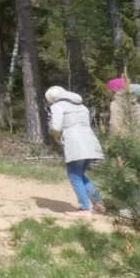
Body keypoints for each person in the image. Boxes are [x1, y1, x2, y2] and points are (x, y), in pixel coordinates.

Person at [46, 86, 104, 215]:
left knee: (74, 176)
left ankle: (84, 208)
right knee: (81, 175)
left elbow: (56, 127)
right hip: (90, 141)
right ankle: (98, 202)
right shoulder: (81, 105)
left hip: (75, 143)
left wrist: (50, 119)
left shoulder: (58, 106)